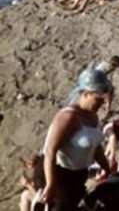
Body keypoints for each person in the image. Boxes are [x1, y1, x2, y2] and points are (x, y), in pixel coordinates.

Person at [41, 68, 113, 211]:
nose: (101, 104)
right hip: (60, 174)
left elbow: (95, 146)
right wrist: (50, 183)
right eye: (97, 100)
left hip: (79, 174)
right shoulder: (69, 117)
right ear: (85, 94)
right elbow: (50, 151)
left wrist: (106, 168)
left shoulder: (93, 116)